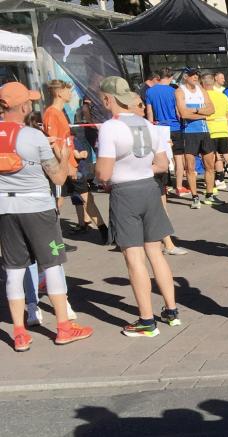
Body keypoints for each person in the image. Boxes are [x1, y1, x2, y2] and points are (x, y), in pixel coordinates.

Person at [0, 81, 93, 351]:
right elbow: (58, 176)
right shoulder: (33, 136)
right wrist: (62, 155)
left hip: (5, 209)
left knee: (14, 270)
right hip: (38, 208)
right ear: (25, 105)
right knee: (52, 264)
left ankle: (19, 333)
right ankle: (64, 327)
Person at [94, 76, 181, 337]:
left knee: (134, 258)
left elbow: (104, 172)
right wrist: (142, 168)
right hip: (149, 189)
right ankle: (171, 310)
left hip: (125, 193)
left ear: (108, 99)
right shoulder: (146, 123)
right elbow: (163, 165)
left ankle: (146, 320)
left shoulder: (110, 127)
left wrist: (101, 176)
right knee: (156, 252)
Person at [42, 80, 107, 243]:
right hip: (61, 168)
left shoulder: (60, 112)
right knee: (58, 201)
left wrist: (75, 154)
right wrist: (68, 165)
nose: (70, 94)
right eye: (67, 91)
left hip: (71, 163)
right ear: (59, 93)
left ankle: (105, 232)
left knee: (87, 197)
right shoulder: (51, 113)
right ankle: (52, 239)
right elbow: (54, 143)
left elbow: (65, 141)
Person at [174, 68, 218, 209]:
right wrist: (203, 114)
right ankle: (195, 197)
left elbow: (212, 110)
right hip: (189, 133)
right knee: (190, 167)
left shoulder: (201, 90)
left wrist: (196, 111)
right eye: (193, 75)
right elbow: (184, 114)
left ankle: (209, 195)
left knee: (210, 165)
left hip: (204, 132)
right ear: (186, 77)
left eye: (197, 76)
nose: (195, 78)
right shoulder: (180, 91)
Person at [145, 68, 187, 197]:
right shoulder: (174, 91)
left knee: (161, 158)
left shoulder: (150, 92)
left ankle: (165, 186)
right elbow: (178, 111)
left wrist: (151, 127)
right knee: (178, 158)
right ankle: (179, 187)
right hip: (175, 127)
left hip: (159, 128)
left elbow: (149, 111)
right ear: (170, 77)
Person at [201, 73, 228, 193]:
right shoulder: (222, 96)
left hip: (209, 131)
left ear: (203, 84)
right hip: (223, 130)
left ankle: (213, 187)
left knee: (211, 159)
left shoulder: (203, 97)